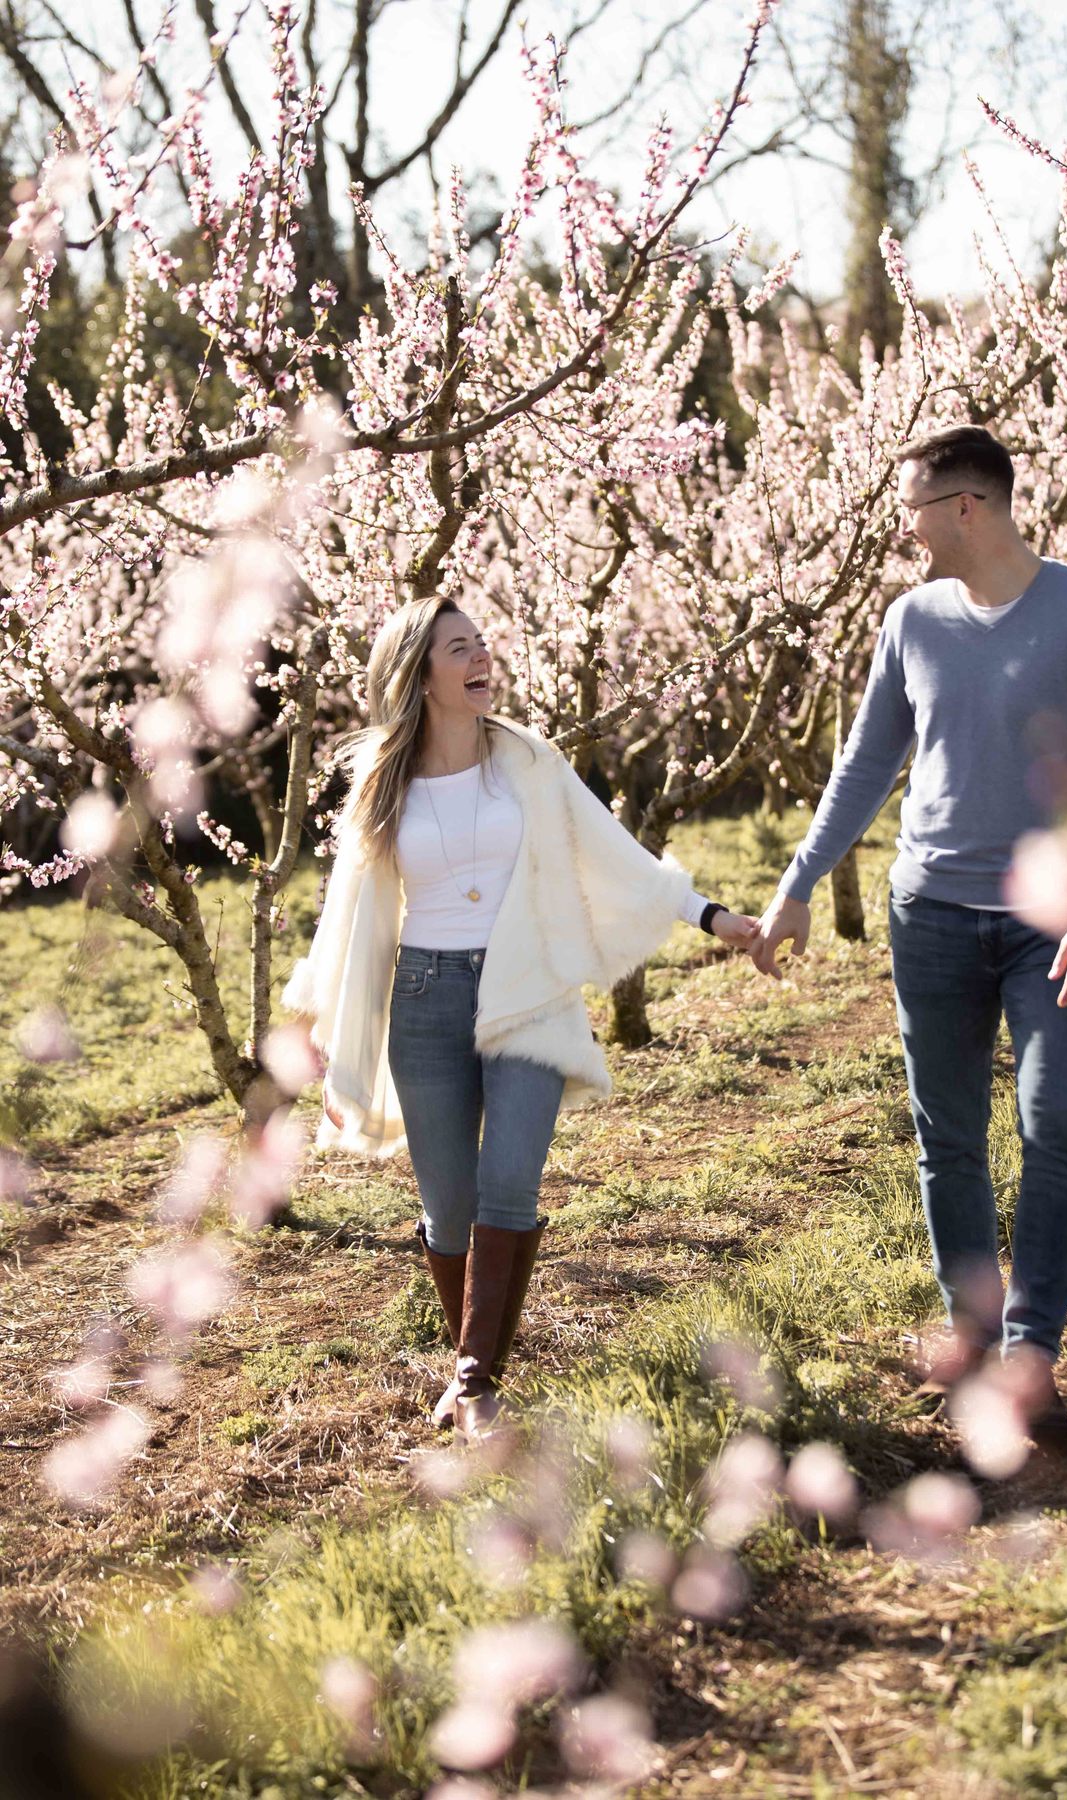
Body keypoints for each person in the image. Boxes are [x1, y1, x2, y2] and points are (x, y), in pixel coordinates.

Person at [751, 424, 1067, 1447]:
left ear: (965, 508)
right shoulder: (912, 621)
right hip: (929, 916)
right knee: (948, 1139)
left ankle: (1033, 1359)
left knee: (1051, 1123)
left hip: (1052, 923)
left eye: (912, 511)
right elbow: (864, 765)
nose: (905, 530)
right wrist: (799, 883)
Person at [283, 595, 758, 1441]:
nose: (481, 658)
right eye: (458, 648)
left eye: (482, 643)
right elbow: (346, 917)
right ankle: (476, 1372)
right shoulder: (383, 784)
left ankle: (473, 1383)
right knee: (448, 1205)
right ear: (420, 674)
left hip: (527, 991)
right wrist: (319, 1027)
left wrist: (712, 915)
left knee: (509, 1181)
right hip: (424, 998)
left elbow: (614, 850)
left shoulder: (529, 761)